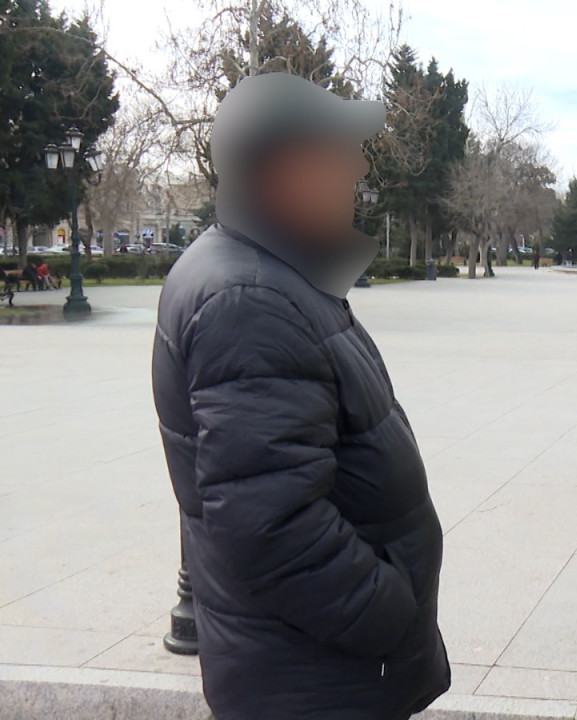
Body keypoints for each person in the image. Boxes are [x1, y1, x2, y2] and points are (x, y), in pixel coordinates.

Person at [151, 73, 450, 719]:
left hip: (309, 669)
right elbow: (269, 524)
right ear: (286, 169)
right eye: (343, 150)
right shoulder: (249, 298)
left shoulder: (267, 270)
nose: (360, 166)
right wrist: (387, 613)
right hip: (316, 680)